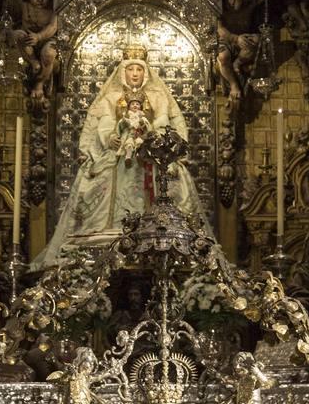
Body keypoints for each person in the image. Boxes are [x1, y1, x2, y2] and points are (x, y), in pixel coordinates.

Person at [30, 48, 206, 270]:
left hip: (151, 151)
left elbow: (166, 121)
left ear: (146, 73)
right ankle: (106, 234)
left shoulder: (159, 97)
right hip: (119, 151)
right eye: (130, 69)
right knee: (102, 173)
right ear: (123, 72)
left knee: (170, 175)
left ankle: (162, 234)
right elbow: (102, 123)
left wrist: (152, 137)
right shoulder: (111, 98)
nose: (134, 74)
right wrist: (111, 137)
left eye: (139, 69)